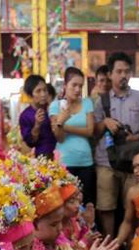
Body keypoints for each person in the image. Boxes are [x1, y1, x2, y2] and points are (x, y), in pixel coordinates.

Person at [93, 52, 139, 238]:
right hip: (106, 161)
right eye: (119, 71)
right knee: (106, 206)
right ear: (110, 74)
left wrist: (135, 136)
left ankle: (130, 245)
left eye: (127, 71)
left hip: (132, 163)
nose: (123, 76)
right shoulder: (101, 101)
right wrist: (105, 123)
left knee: (134, 205)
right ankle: (110, 243)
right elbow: (94, 132)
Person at [51, 67, 97, 206]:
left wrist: (62, 125)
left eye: (80, 86)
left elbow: (90, 131)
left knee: (86, 202)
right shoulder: (55, 106)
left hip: (85, 161)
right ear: (65, 85)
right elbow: (59, 138)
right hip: (64, 162)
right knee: (65, 204)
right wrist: (60, 122)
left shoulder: (87, 103)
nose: (77, 89)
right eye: (74, 85)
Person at [19, 75, 57, 158]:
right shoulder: (25, 116)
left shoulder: (54, 108)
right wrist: (37, 125)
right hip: (43, 157)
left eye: (45, 90)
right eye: (38, 91)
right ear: (29, 95)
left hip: (62, 154)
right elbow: (30, 142)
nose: (43, 94)